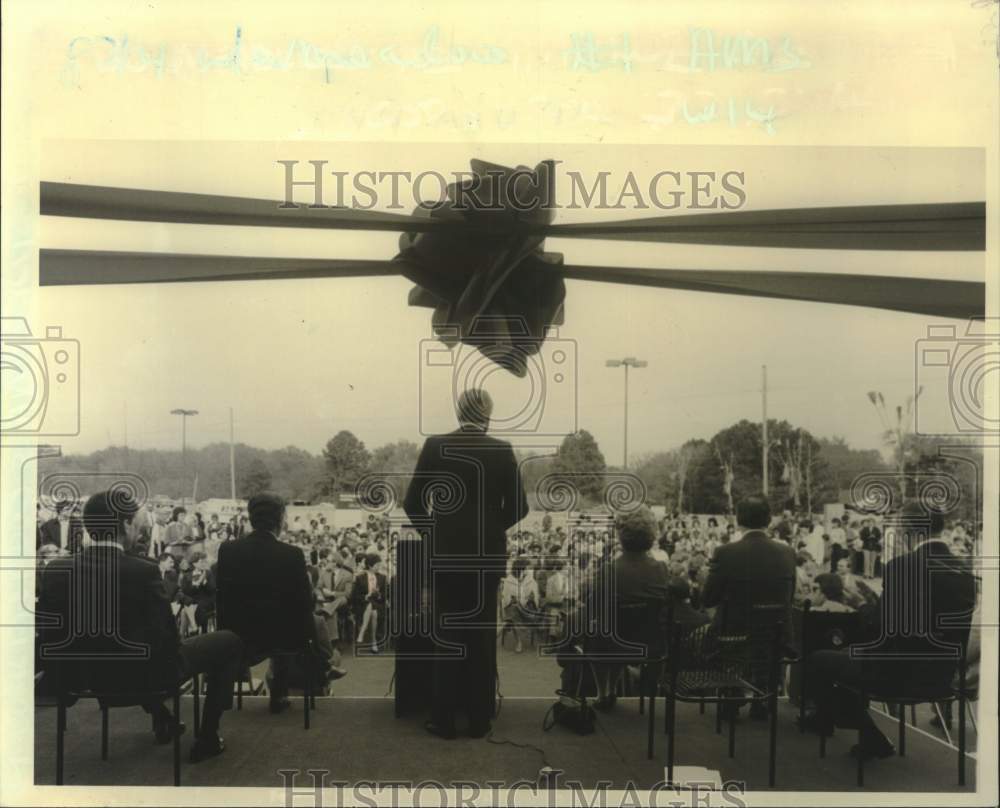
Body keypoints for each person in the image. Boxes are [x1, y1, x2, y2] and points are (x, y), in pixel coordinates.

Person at [37, 490, 243, 762]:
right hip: (143, 678)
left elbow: (51, 637)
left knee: (127, 649)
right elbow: (166, 639)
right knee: (226, 641)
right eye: (136, 523)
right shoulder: (143, 570)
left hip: (79, 677)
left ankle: (162, 718)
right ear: (125, 525)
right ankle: (207, 738)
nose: (140, 530)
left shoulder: (56, 570)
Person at [802, 504, 976, 760]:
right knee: (849, 656)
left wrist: (859, 604)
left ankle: (868, 736)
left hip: (897, 675)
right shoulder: (964, 571)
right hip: (943, 676)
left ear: (907, 530)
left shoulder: (901, 566)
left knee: (818, 660)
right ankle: (827, 719)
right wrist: (876, 602)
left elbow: (880, 627)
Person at [403, 388, 528, 740]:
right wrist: (488, 530)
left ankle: (442, 719)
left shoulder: (435, 446)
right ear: (488, 415)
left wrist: (436, 533)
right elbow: (520, 507)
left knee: (447, 637)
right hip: (485, 560)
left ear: (459, 413)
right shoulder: (502, 451)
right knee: (482, 638)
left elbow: (412, 502)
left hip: (445, 558)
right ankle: (479, 720)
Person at [216, 493, 344, 715]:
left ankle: (226, 696)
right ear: (280, 520)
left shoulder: (228, 550)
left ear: (251, 518)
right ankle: (280, 694)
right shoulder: (292, 554)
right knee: (301, 623)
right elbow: (305, 601)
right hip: (283, 636)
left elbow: (223, 597)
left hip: (237, 634)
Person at [702, 495, 796, 719]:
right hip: (776, 632)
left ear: (738, 519)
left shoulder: (725, 552)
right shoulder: (787, 552)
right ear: (769, 519)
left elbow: (708, 599)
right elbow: (788, 597)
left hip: (735, 632)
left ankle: (731, 695)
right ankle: (762, 698)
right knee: (760, 636)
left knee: (716, 631)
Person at [352, 552, 387, 651]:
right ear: (370, 565)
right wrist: (366, 597)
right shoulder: (360, 578)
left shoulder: (382, 578)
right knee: (373, 611)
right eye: (377, 565)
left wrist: (379, 594)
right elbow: (355, 596)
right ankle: (374, 642)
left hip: (377, 603)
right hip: (362, 604)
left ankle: (362, 633)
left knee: (373, 609)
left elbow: (385, 596)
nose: (379, 567)